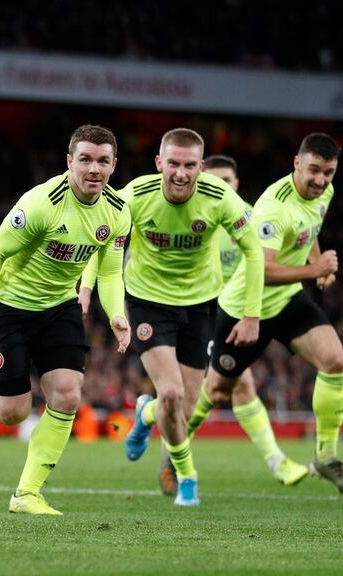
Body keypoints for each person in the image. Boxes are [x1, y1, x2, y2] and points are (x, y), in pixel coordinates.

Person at [0, 124, 132, 515]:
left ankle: (27, 493)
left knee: (68, 394)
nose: (94, 169)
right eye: (85, 159)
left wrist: (116, 313)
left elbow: (109, 272)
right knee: (13, 413)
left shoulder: (118, 211)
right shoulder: (41, 204)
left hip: (59, 306)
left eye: (103, 161)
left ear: (114, 165)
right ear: (69, 162)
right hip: (10, 307)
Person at [81, 129, 263, 506]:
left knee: (186, 408)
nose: (181, 173)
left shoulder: (219, 197)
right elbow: (101, 239)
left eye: (190, 165)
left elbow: (254, 251)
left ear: (202, 167)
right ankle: (187, 478)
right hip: (148, 301)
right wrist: (86, 288)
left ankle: (146, 414)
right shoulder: (134, 196)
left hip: (201, 304)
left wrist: (251, 314)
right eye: (174, 164)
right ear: (159, 163)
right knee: (171, 392)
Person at [202, 134, 343, 495]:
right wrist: (315, 269)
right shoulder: (272, 208)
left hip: (286, 299)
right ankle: (174, 444)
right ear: (296, 163)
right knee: (217, 390)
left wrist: (316, 265)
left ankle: (326, 457)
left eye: (329, 172)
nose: (321, 180)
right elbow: (263, 268)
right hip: (243, 306)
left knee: (335, 360)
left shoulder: (323, 193)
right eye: (314, 170)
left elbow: (309, 229)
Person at [153, 155, 309, 495]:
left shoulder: (252, 220)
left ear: (236, 185)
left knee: (231, 388)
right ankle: (272, 461)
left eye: (226, 180)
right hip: (198, 312)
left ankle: (174, 456)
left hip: (233, 314)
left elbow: (265, 263)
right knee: (226, 388)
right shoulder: (190, 217)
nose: (220, 186)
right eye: (213, 180)